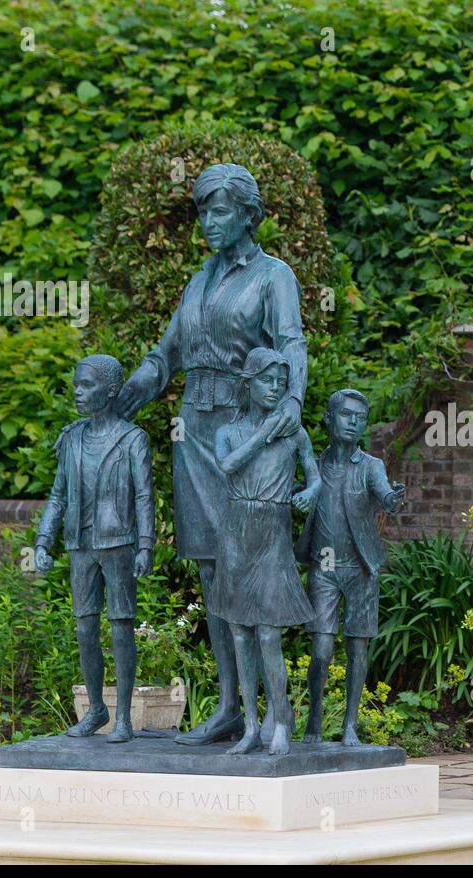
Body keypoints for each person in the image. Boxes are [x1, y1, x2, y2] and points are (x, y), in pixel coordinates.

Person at [114, 163, 308, 746]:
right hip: (194, 429)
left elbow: (291, 341)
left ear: (248, 214)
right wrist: (129, 393)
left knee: (245, 564)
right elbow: (166, 353)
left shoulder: (274, 276)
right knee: (208, 565)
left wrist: (293, 398)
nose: (207, 222)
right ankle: (229, 706)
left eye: (218, 211)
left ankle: (271, 715)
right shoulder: (197, 282)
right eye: (202, 211)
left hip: (243, 431)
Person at [35, 355, 154, 744]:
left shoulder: (132, 439)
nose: (79, 392)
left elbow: (143, 496)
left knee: (121, 626)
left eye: (86, 386)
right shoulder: (71, 438)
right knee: (85, 627)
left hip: (118, 541)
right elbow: (57, 496)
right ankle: (96, 709)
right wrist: (42, 541)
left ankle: (123, 717)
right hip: (80, 543)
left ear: (111, 390)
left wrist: (146, 545)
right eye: (77, 386)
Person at [209, 348, 321, 756]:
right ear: (249, 384)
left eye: (281, 382)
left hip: (272, 529)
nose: (275, 388)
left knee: (269, 633)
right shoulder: (227, 431)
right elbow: (228, 465)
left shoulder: (295, 433)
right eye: (267, 381)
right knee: (240, 632)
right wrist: (263, 432)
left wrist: (309, 493)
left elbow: (315, 477)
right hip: (236, 530)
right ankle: (251, 726)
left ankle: (280, 718)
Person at [296, 389, 405, 745]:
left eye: (360, 417)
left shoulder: (371, 467)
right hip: (323, 568)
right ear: (329, 418)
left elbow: (385, 493)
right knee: (322, 650)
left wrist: (392, 499)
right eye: (346, 415)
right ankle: (314, 719)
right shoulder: (315, 465)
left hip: (360, 569)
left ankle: (350, 726)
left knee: (358, 647)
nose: (354, 422)